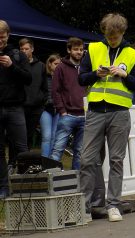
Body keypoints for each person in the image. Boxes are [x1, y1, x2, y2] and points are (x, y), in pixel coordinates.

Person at [79, 13, 135, 222]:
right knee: (87, 159)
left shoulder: (133, 54)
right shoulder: (94, 48)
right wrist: (95, 74)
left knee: (117, 160)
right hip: (96, 110)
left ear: (122, 32)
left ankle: (113, 205)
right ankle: (84, 207)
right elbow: (81, 78)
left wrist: (125, 75)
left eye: (115, 36)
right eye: (108, 35)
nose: (111, 39)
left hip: (120, 112)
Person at [0, 20, 32, 198]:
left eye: (2, 38)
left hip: (15, 107)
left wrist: (12, 66)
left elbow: (28, 79)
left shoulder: (18, 55)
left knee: (22, 148)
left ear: (8, 36)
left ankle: (26, 186)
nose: (0, 41)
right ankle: (4, 188)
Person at [50, 37, 86, 170]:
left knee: (80, 152)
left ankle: (77, 182)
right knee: (58, 149)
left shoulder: (87, 67)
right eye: (76, 49)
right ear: (68, 50)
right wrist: (62, 111)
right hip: (68, 115)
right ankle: (52, 178)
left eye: (81, 49)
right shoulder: (61, 67)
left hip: (85, 116)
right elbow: (55, 91)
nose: (79, 52)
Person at [19, 38, 47, 149]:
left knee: (30, 136)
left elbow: (45, 87)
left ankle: (26, 162)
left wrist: (41, 101)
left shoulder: (41, 66)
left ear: (32, 49)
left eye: (26, 48)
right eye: (21, 49)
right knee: (18, 136)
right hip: (20, 106)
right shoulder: (16, 65)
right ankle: (14, 161)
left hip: (35, 107)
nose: (24, 51)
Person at [40, 54, 60, 158]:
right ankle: (44, 161)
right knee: (47, 136)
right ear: (49, 64)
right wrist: (45, 102)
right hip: (46, 109)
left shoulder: (61, 78)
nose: (58, 66)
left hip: (58, 110)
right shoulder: (44, 76)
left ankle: (51, 162)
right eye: (56, 64)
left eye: (59, 64)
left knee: (54, 137)